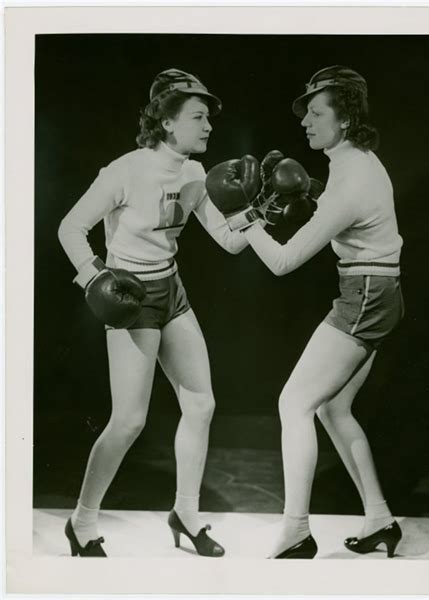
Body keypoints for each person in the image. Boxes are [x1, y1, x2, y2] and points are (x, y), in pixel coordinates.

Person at [58, 68, 258, 558]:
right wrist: (95, 278)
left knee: (202, 404)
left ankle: (185, 515)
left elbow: (230, 242)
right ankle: (81, 523)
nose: (208, 125)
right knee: (128, 421)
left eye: (209, 117)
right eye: (198, 116)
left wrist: (261, 211)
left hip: (172, 290)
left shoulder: (194, 173)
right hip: (129, 295)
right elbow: (70, 227)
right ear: (167, 122)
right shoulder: (126, 170)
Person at [206, 65, 404, 559]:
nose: (306, 122)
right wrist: (305, 190)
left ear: (345, 118)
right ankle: (380, 519)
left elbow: (283, 262)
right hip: (374, 291)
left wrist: (240, 215)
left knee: (294, 404)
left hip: (365, 297)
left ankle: (296, 530)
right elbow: (348, 213)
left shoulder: (351, 179)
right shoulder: (356, 161)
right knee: (333, 409)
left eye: (317, 112)